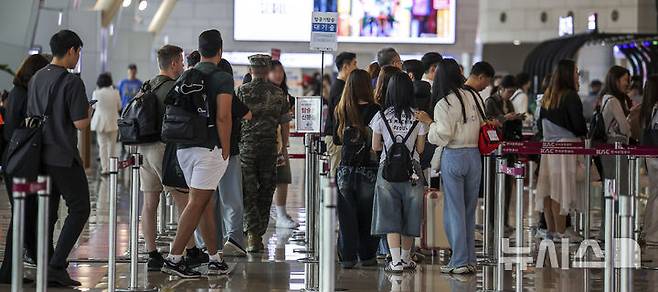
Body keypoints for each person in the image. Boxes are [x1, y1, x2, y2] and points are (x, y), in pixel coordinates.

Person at [162, 30, 233, 278]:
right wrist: (225, 147)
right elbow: (224, 116)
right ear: (220, 51)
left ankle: (214, 258)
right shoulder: (222, 78)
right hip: (208, 149)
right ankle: (174, 258)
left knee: (205, 202)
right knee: (197, 203)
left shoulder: (187, 75)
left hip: (184, 148)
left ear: (199, 50)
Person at [132, 45, 209, 271]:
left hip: (143, 148)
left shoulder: (148, 85)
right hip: (164, 150)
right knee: (184, 200)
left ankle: (152, 253)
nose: (183, 66)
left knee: (149, 203)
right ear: (174, 63)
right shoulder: (174, 88)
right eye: (182, 62)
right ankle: (190, 250)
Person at [25, 29, 91, 286]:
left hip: (37, 154)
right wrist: (89, 111)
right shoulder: (72, 81)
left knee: (48, 210)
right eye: (78, 52)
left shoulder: (36, 77)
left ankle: (46, 261)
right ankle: (56, 264)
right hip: (62, 154)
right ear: (72, 50)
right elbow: (81, 124)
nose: (77, 58)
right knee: (80, 206)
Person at [415, 58, 485, 274]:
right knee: (469, 210)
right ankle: (470, 260)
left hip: (454, 156)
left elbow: (442, 136)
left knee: (454, 211)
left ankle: (459, 261)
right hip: (474, 156)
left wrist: (429, 123)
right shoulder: (473, 96)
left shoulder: (444, 103)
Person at [0, 53, 49, 284]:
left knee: (24, 216)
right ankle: (9, 271)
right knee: (22, 216)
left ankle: (23, 265)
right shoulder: (25, 94)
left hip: (13, 160)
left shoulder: (16, 92)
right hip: (21, 162)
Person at [371, 72, 427, 273]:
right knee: (410, 215)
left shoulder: (381, 116)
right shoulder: (418, 116)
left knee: (390, 215)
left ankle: (394, 262)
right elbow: (420, 149)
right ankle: (405, 259)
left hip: (387, 171)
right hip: (412, 171)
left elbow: (376, 146)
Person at [238, 54, 291, 253]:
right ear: (268, 70)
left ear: (250, 70)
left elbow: (234, 122)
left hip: (247, 148)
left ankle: (251, 234)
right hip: (269, 149)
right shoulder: (278, 94)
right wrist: (283, 148)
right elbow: (284, 125)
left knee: (248, 190)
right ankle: (257, 232)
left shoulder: (240, 92)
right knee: (267, 189)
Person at [332, 69, 381, 268]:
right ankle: (367, 256)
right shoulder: (376, 110)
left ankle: (348, 257)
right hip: (369, 168)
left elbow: (336, 139)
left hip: (345, 170)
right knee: (367, 215)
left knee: (346, 217)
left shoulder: (341, 109)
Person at [535, 59, 588, 242]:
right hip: (565, 147)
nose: (577, 75)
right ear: (568, 74)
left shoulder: (548, 95)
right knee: (561, 188)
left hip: (548, 146)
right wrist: (583, 132)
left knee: (549, 189)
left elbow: (539, 124)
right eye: (575, 71)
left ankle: (551, 230)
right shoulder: (570, 96)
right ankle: (561, 230)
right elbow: (578, 124)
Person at [214, 58, 252, 256]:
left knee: (208, 200)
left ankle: (209, 242)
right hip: (229, 152)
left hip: (205, 151)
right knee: (232, 198)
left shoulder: (204, 89)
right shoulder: (227, 92)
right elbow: (247, 115)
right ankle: (235, 240)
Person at [597, 65, 632, 238]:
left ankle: (608, 229)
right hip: (615, 148)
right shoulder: (613, 101)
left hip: (607, 150)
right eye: (626, 80)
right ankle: (616, 228)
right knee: (619, 189)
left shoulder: (605, 98)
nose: (628, 83)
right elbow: (624, 128)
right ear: (616, 80)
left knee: (609, 189)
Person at [269, 59, 299, 229]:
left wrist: (284, 145)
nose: (278, 74)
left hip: (280, 144)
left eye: (281, 71)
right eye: (275, 71)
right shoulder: (261, 92)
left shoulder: (286, 95)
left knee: (282, 178)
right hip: (263, 143)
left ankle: (280, 214)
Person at [325, 52, 358, 177]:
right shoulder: (340, 88)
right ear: (345, 66)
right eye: (354, 63)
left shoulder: (342, 86)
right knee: (336, 174)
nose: (356, 67)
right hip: (335, 137)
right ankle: (333, 197)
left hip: (338, 136)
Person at [90, 72, 121, 175]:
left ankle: (105, 168)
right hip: (113, 121)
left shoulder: (96, 93)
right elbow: (119, 107)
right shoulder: (115, 92)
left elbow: (94, 107)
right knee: (112, 146)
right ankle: (113, 167)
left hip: (100, 122)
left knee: (102, 146)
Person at [639, 75, 658, 244]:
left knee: (654, 193)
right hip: (656, 154)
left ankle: (648, 230)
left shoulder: (646, 108)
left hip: (650, 154)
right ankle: (653, 233)